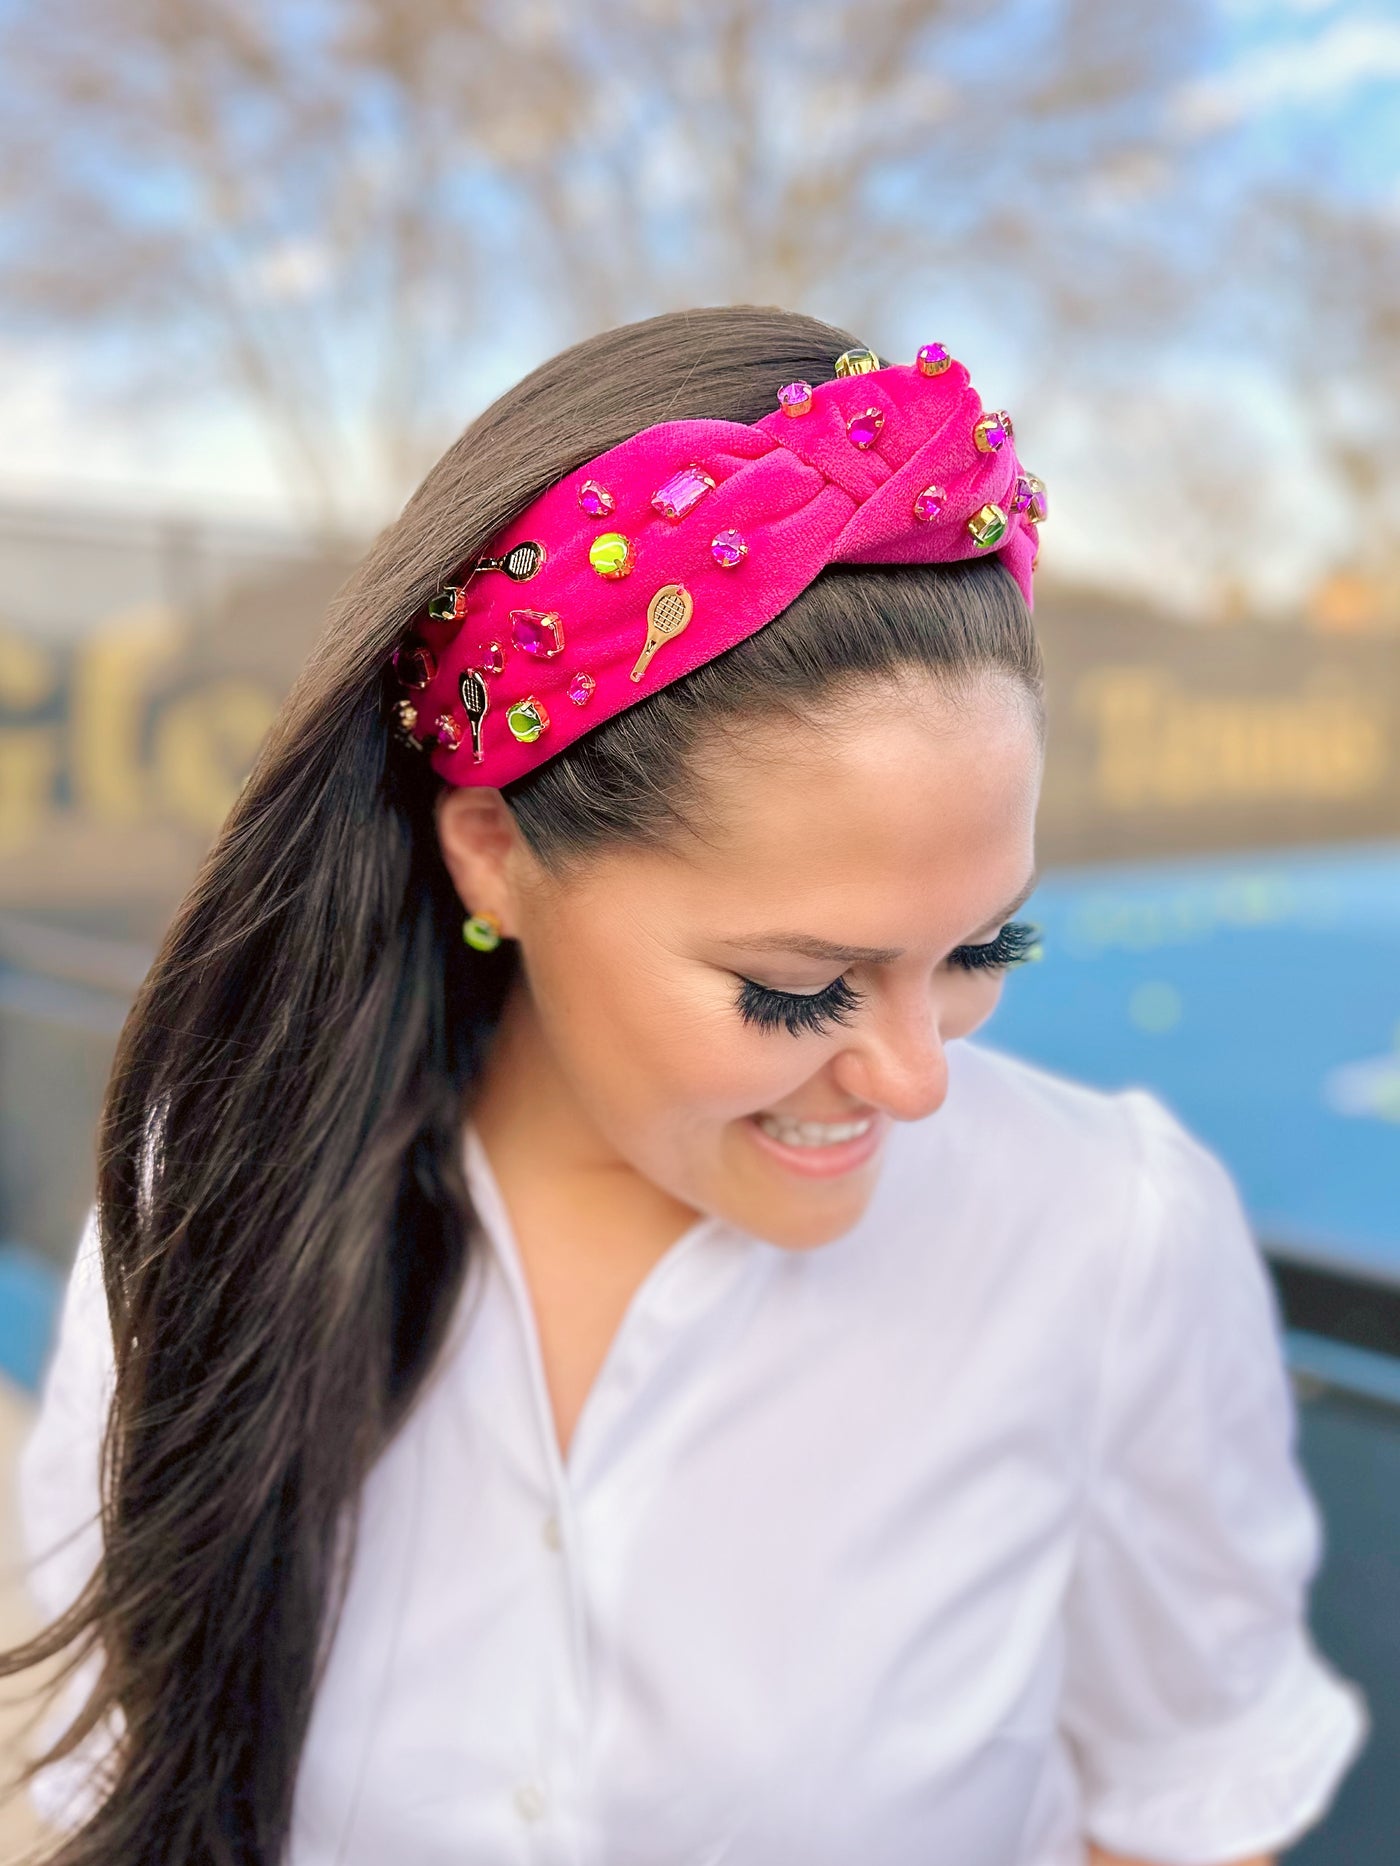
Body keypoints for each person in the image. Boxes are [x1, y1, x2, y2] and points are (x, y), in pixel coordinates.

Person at [8, 306, 1368, 1865]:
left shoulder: (1107, 1237)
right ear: (497, 856)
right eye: (797, 986)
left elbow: (1187, 1811)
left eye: (987, 943)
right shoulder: (209, 1204)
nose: (919, 1079)